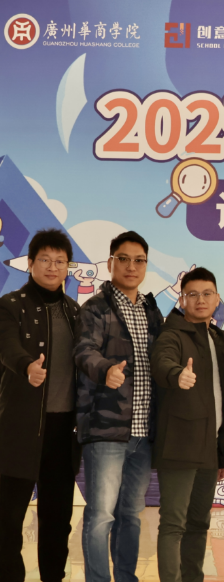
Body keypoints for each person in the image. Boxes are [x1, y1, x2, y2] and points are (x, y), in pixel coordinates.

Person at [75, 230, 165, 582]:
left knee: (131, 514)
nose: (131, 266)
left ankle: (127, 577)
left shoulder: (152, 310)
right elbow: (84, 351)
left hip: (143, 433)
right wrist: (105, 370)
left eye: (139, 260)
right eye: (124, 259)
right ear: (111, 262)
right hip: (106, 428)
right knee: (101, 516)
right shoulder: (95, 308)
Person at [0, 229, 81, 582]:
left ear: (68, 267)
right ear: (30, 263)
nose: (52, 267)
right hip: (19, 429)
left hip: (63, 432)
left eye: (60, 261)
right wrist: (26, 367)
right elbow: (7, 347)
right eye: (45, 260)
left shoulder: (75, 312)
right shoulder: (10, 305)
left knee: (57, 521)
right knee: (6, 521)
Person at [150, 267, 224, 582]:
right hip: (180, 445)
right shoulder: (172, 333)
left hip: (209, 448)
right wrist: (176, 375)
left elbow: (219, 400)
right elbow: (162, 362)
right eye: (192, 294)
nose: (200, 300)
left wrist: (221, 453)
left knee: (199, 524)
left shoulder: (214, 337)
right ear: (182, 299)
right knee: (174, 524)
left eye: (207, 293)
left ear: (217, 299)